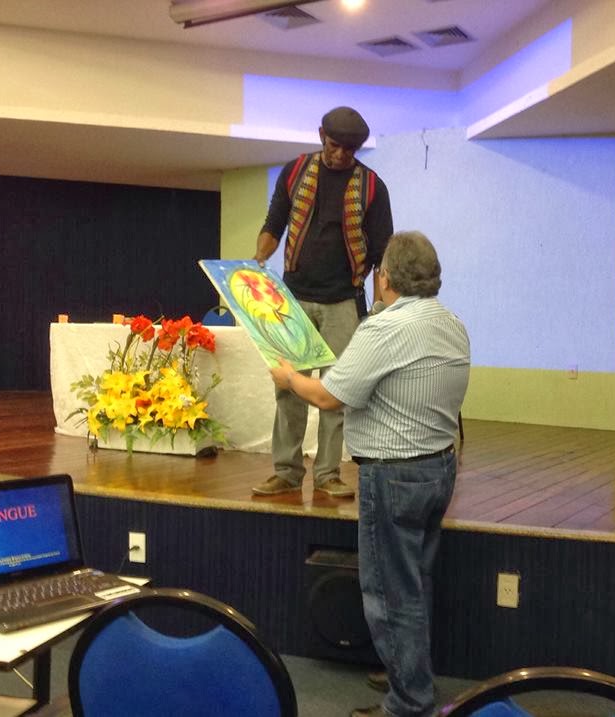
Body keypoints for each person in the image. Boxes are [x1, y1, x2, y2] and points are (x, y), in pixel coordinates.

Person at [269, 231, 470, 717]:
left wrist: (289, 378)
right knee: (415, 582)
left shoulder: (383, 330)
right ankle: (408, 671)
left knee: (389, 594)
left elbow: (328, 397)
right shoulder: (452, 322)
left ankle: (409, 702)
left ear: (385, 277)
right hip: (440, 469)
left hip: (393, 477)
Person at [252, 106, 394, 499]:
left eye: (350, 149)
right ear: (320, 136)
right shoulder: (295, 171)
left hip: (344, 301)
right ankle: (286, 471)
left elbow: (382, 254)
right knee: (288, 389)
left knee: (336, 391)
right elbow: (274, 224)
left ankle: (329, 474)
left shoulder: (372, 187)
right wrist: (256, 261)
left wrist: (381, 309)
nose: (341, 154)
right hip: (293, 299)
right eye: (334, 145)